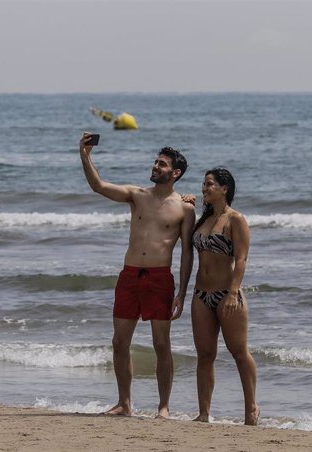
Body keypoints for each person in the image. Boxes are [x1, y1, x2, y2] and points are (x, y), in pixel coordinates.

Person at [79, 132, 196, 418]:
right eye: (155, 162)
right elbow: (99, 186)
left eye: (162, 164)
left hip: (160, 278)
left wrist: (182, 292)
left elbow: (187, 253)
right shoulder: (137, 195)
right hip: (130, 276)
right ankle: (125, 403)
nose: (156, 166)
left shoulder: (185, 208)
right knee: (119, 341)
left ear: (175, 172)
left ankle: (164, 406)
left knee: (161, 343)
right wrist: (85, 155)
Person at [191, 167, 259, 425]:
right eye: (204, 184)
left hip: (227, 294)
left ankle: (251, 408)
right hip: (201, 294)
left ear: (224, 188)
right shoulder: (202, 219)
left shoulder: (235, 219)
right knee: (205, 355)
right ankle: (204, 413)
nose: (204, 188)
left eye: (210, 184)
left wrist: (233, 292)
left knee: (239, 352)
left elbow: (241, 259)